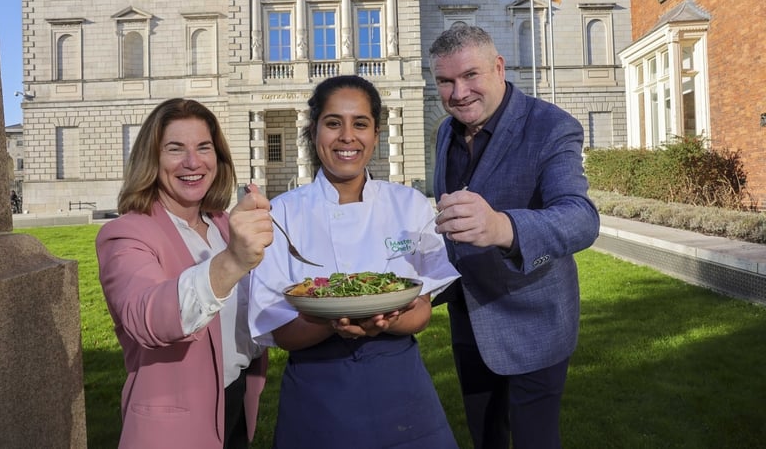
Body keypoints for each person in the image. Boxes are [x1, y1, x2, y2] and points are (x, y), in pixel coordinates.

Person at [247, 75, 461, 449]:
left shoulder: (407, 204)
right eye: (334, 123)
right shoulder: (282, 214)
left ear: (376, 134)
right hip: (319, 389)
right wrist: (334, 323)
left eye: (360, 123)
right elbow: (281, 330)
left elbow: (421, 311)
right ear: (314, 132)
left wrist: (384, 319)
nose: (348, 136)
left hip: (401, 385)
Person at [428, 25, 601, 449]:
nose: (459, 92)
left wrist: (501, 227)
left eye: (471, 75)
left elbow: (581, 219)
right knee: (485, 437)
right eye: (445, 81)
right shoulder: (444, 132)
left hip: (535, 320)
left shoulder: (552, 127)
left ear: (499, 68)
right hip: (468, 315)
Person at [95, 98, 273, 449]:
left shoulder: (223, 224)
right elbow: (147, 317)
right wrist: (233, 261)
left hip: (236, 403)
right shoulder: (126, 233)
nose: (193, 162)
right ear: (152, 159)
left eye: (203, 147)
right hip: (174, 427)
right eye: (175, 149)